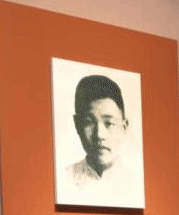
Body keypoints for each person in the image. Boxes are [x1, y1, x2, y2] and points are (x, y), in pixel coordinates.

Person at [59, 74, 139, 202]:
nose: (99, 135)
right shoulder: (64, 179)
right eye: (89, 122)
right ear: (77, 125)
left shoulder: (136, 183)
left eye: (109, 123)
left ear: (124, 127)